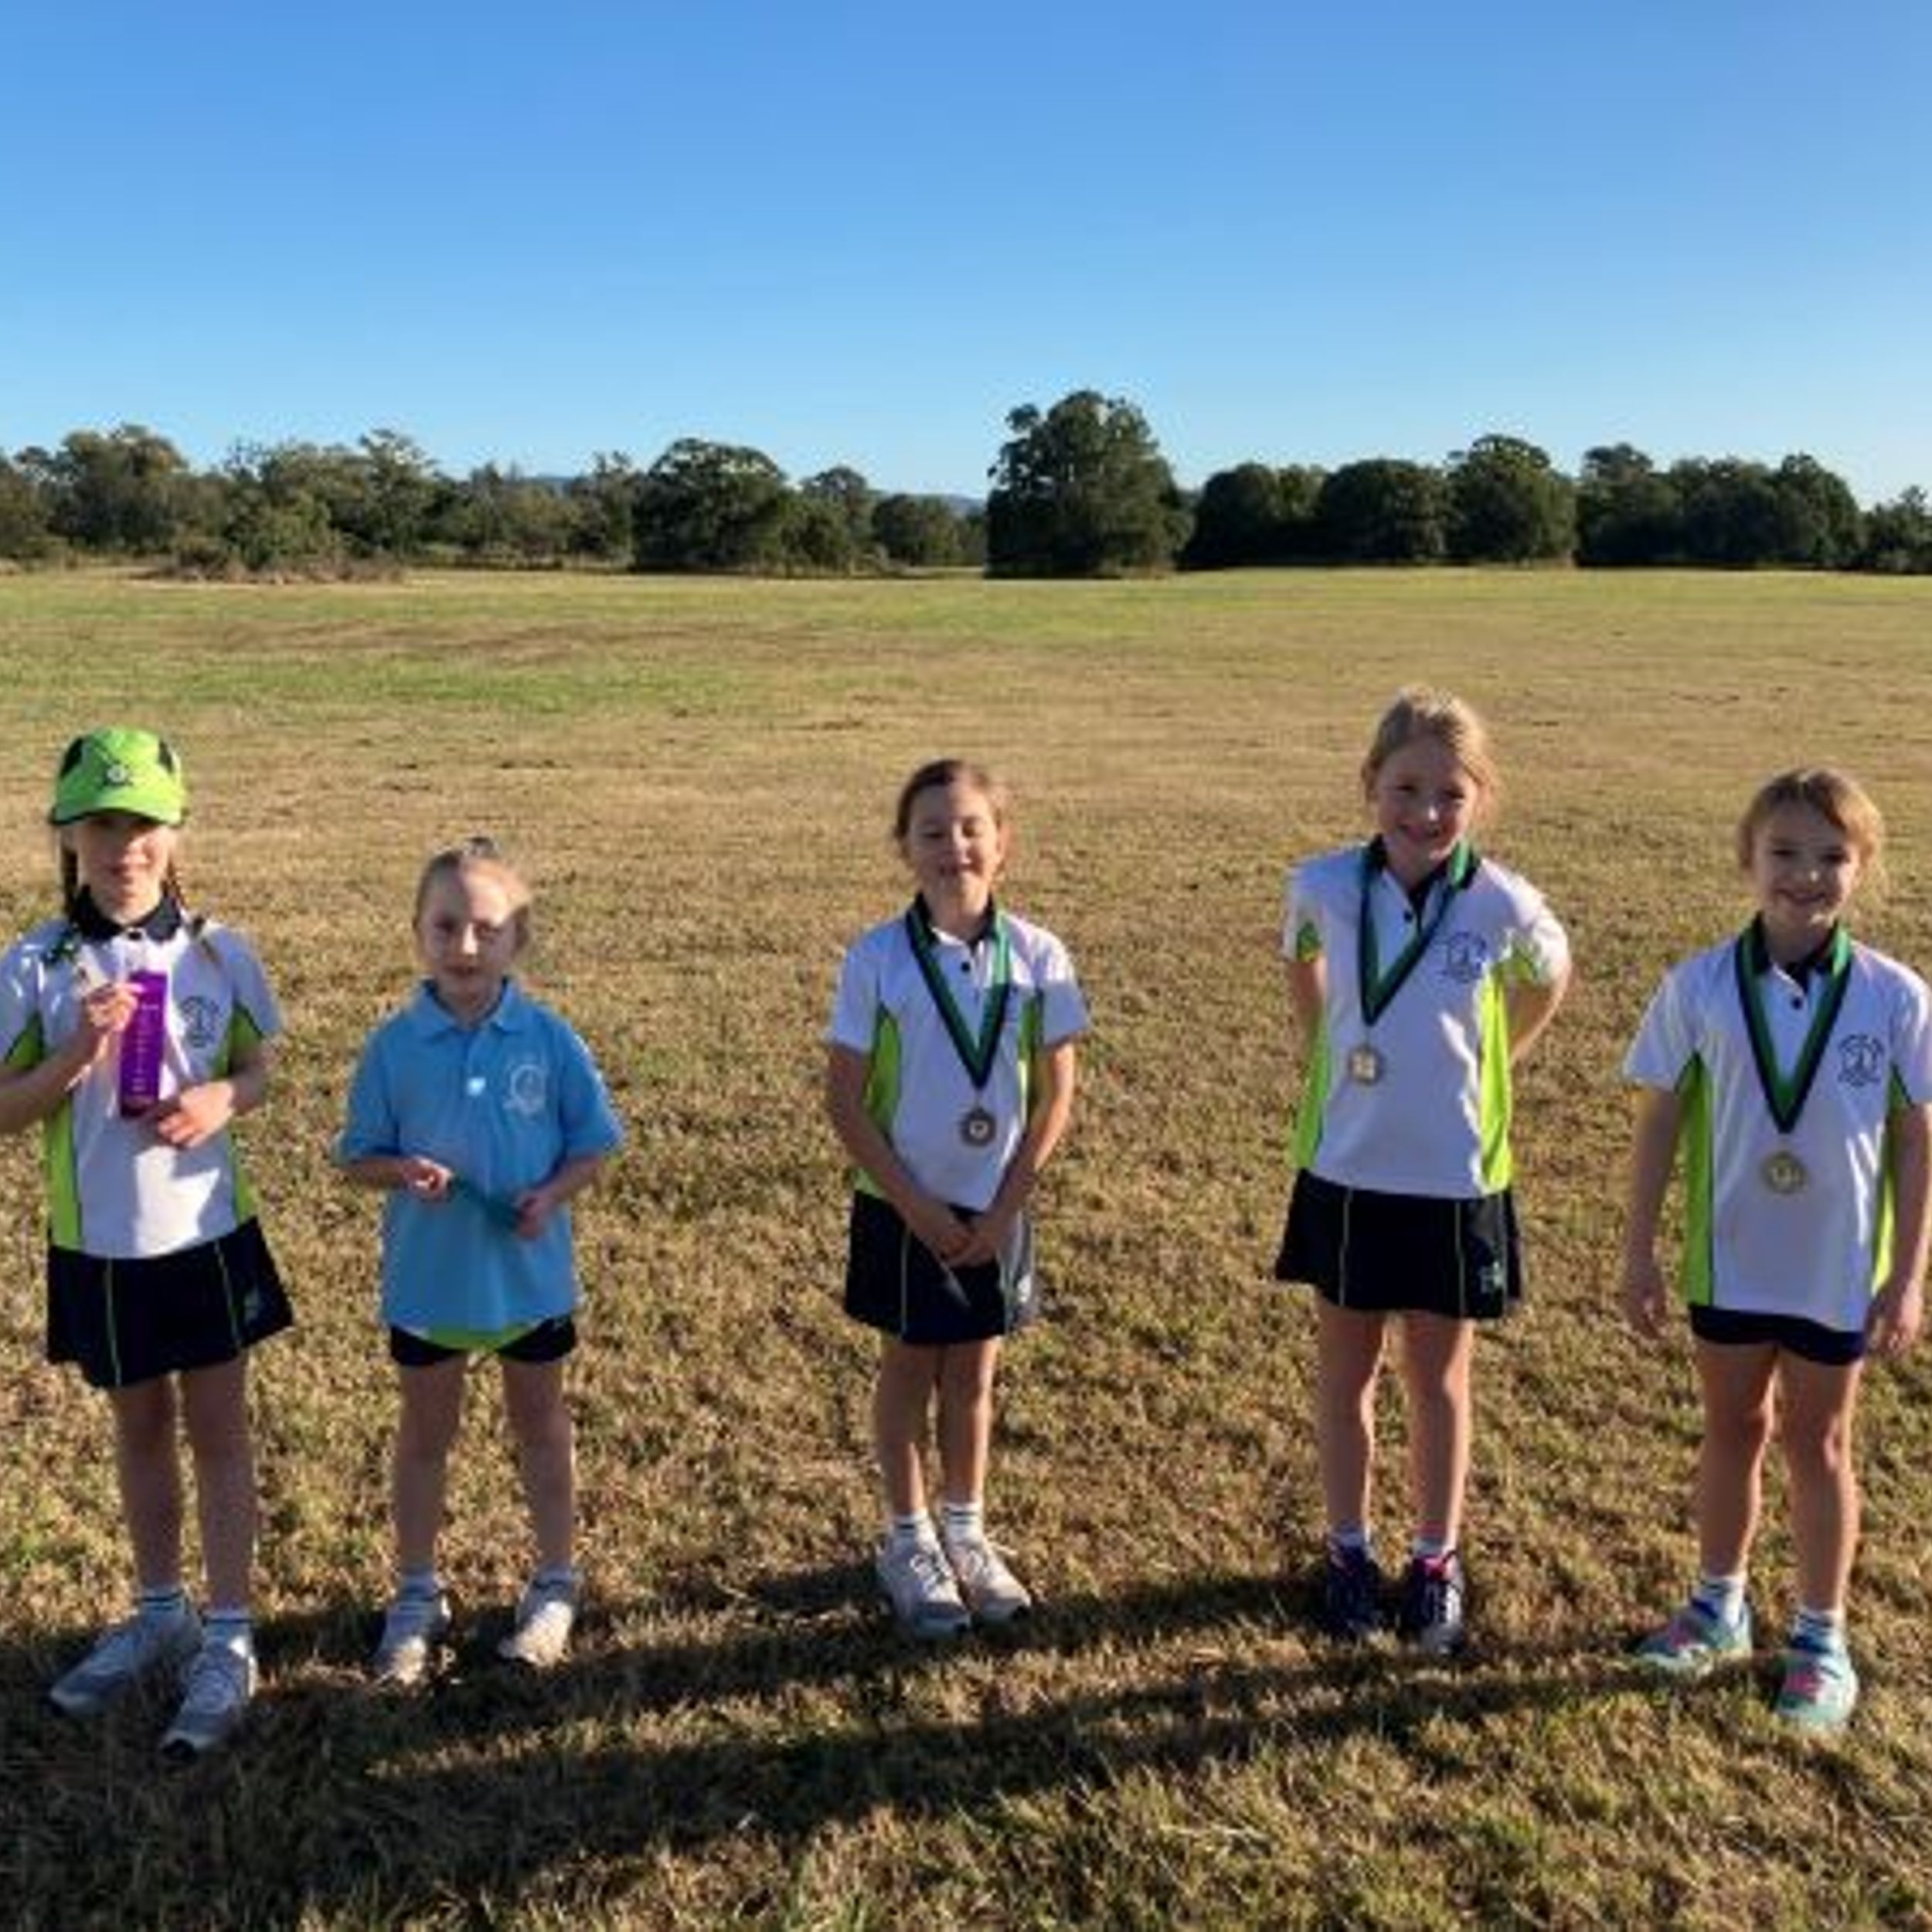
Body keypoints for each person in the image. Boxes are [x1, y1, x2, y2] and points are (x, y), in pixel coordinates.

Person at [0, 729, 291, 1757]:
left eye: (145, 824)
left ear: (176, 832)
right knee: (139, 1429)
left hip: (206, 1236)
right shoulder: (35, 964)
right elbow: (5, 1108)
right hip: (104, 1248)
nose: (126, 845)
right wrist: (77, 1054)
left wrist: (224, 1098)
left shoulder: (219, 951)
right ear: (67, 835)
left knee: (219, 1431)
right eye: (103, 823)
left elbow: (259, 1067)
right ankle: (162, 1612)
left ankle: (229, 1634)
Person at [1622, 768, 1930, 1734]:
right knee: (1731, 1427)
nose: (1806, 874)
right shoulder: (1699, 985)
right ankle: (1718, 1607)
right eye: (1784, 852)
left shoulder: (1894, 997)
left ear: (1862, 867)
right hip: (1731, 1261)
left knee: (1820, 1441)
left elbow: (1917, 1141)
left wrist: (1908, 1275)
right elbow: (1658, 1122)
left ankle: (1820, 1637)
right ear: (1747, 861)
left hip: (1836, 1271)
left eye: (1831, 855)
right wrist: (1637, 1250)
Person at [1274, 688, 1570, 1654]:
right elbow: (1300, 960)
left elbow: (1549, 975)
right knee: (1346, 1372)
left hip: (1454, 1175)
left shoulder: (1502, 901)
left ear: (1480, 796)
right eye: (1406, 788)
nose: (1427, 811)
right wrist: (1323, 1045)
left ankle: (1434, 1559)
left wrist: (1497, 1057)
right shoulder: (1322, 884)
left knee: (1438, 1380)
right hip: (1348, 1167)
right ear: (1371, 784)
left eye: (1450, 793)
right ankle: (1348, 1552)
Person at [337, 837, 621, 1685]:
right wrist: (401, 1170)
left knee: (541, 1427)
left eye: (486, 929)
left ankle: (555, 1581)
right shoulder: (394, 1047)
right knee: (426, 1436)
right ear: (417, 933)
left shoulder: (550, 1039)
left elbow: (594, 1144)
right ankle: (416, 1592)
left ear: (517, 939)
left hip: (529, 1285)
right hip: (430, 1285)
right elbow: (357, 1158)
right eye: (445, 926)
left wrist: (553, 1194)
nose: (465, 946)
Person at [825, 759, 1086, 1638]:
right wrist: (917, 1207)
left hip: (995, 1206)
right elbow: (845, 1102)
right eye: (932, 831)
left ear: (1003, 843)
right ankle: (908, 1541)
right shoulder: (876, 959)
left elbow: (1056, 1098)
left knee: (974, 1373)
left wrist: (1005, 1207)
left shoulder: (1041, 957)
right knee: (907, 1368)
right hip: (904, 1205)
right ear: (905, 848)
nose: (954, 846)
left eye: (972, 827)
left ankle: (966, 1532)